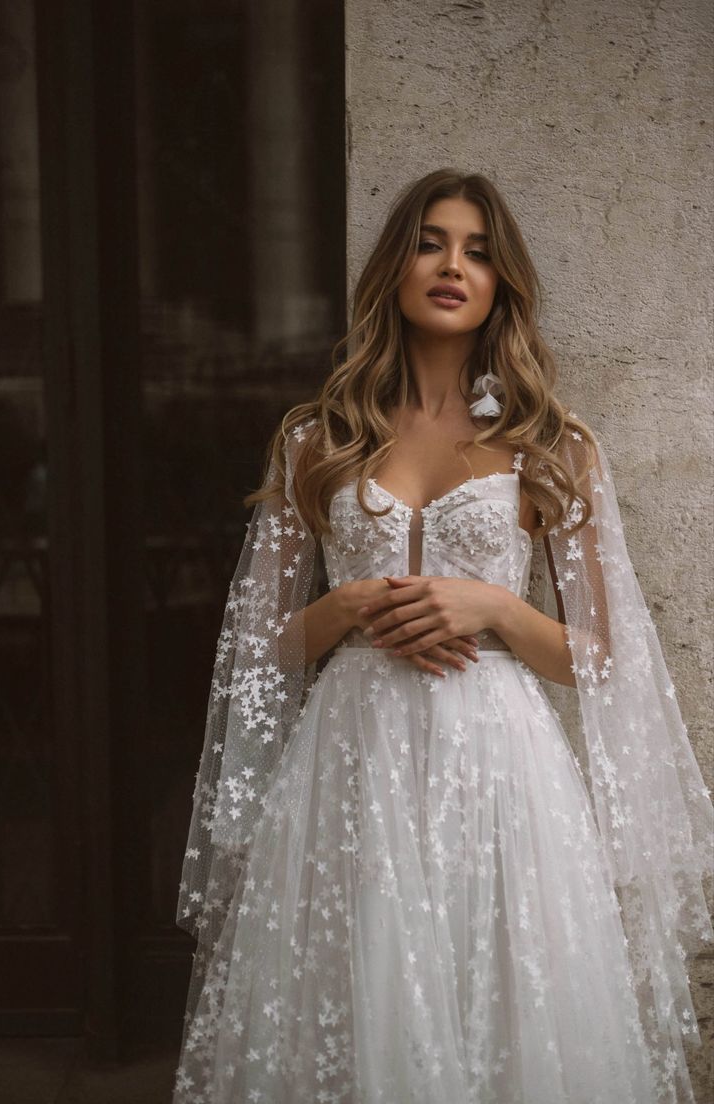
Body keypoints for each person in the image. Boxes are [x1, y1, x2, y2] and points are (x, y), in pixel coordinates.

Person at [172, 169, 712, 1103]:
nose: (452, 265)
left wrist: (495, 608)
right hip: (351, 761)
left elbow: (598, 658)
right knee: (360, 988)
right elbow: (260, 647)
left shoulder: (553, 443)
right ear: (395, 267)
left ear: (503, 282)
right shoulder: (315, 437)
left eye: (477, 250)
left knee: (497, 995)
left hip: (499, 768)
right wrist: (342, 612)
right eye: (430, 242)